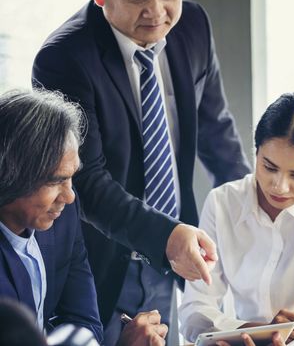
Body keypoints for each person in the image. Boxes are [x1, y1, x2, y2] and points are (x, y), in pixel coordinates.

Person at [32, 0, 251, 343]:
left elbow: (216, 133)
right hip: (100, 263)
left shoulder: (192, 24)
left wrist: (253, 211)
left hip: (172, 258)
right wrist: (167, 236)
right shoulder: (63, 58)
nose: (155, 11)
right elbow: (85, 182)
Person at [179, 92, 294, 346]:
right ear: (256, 153)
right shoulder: (222, 203)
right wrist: (253, 331)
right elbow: (194, 310)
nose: (280, 187)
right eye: (269, 167)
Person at [0, 89, 169, 346]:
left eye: (71, 177)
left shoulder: (63, 216)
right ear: (11, 174)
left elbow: (84, 323)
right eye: (56, 181)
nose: (69, 197)